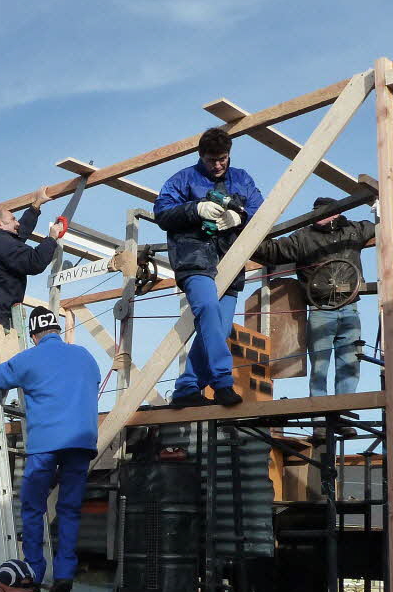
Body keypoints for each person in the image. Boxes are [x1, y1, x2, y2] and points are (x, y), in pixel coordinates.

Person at [0, 307, 100, 592]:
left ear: (33, 335)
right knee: (69, 510)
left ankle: (33, 571)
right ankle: (65, 574)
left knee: (32, 508)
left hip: (46, 444)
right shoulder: (84, 355)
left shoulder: (31, 358)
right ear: (56, 329)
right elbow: (91, 383)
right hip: (82, 443)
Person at [154, 127, 264, 408]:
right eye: (211, 160)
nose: (217, 165)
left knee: (220, 327)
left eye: (222, 159)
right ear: (201, 156)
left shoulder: (242, 179)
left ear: (229, 155)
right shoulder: (182, 179)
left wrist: (241, 217)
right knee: (209, 312)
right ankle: (223, 382)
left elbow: (260, 209)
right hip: (194, 258)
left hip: (230, 260)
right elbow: (162, 212)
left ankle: (187, 387)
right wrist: (196, 209)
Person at [252, 199, 377, 396]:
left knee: (350, 364)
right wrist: (247, 236)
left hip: (349, 307)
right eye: (316, 212)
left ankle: (342, 413)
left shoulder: (354, 230)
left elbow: (382, 226)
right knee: (320, 366)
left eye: (324, 212)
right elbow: (272, 251)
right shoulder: (303, 238)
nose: (318, 216)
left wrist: (382, 208)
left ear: (337, 213)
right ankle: (320, 419)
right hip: (321, 309)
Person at [0, 189, 65, 361]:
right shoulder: (2, 243)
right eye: (13, 219)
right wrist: (52, 238)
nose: (17, 223)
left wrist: (36, 206)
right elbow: (34, 261)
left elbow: (19, 233)